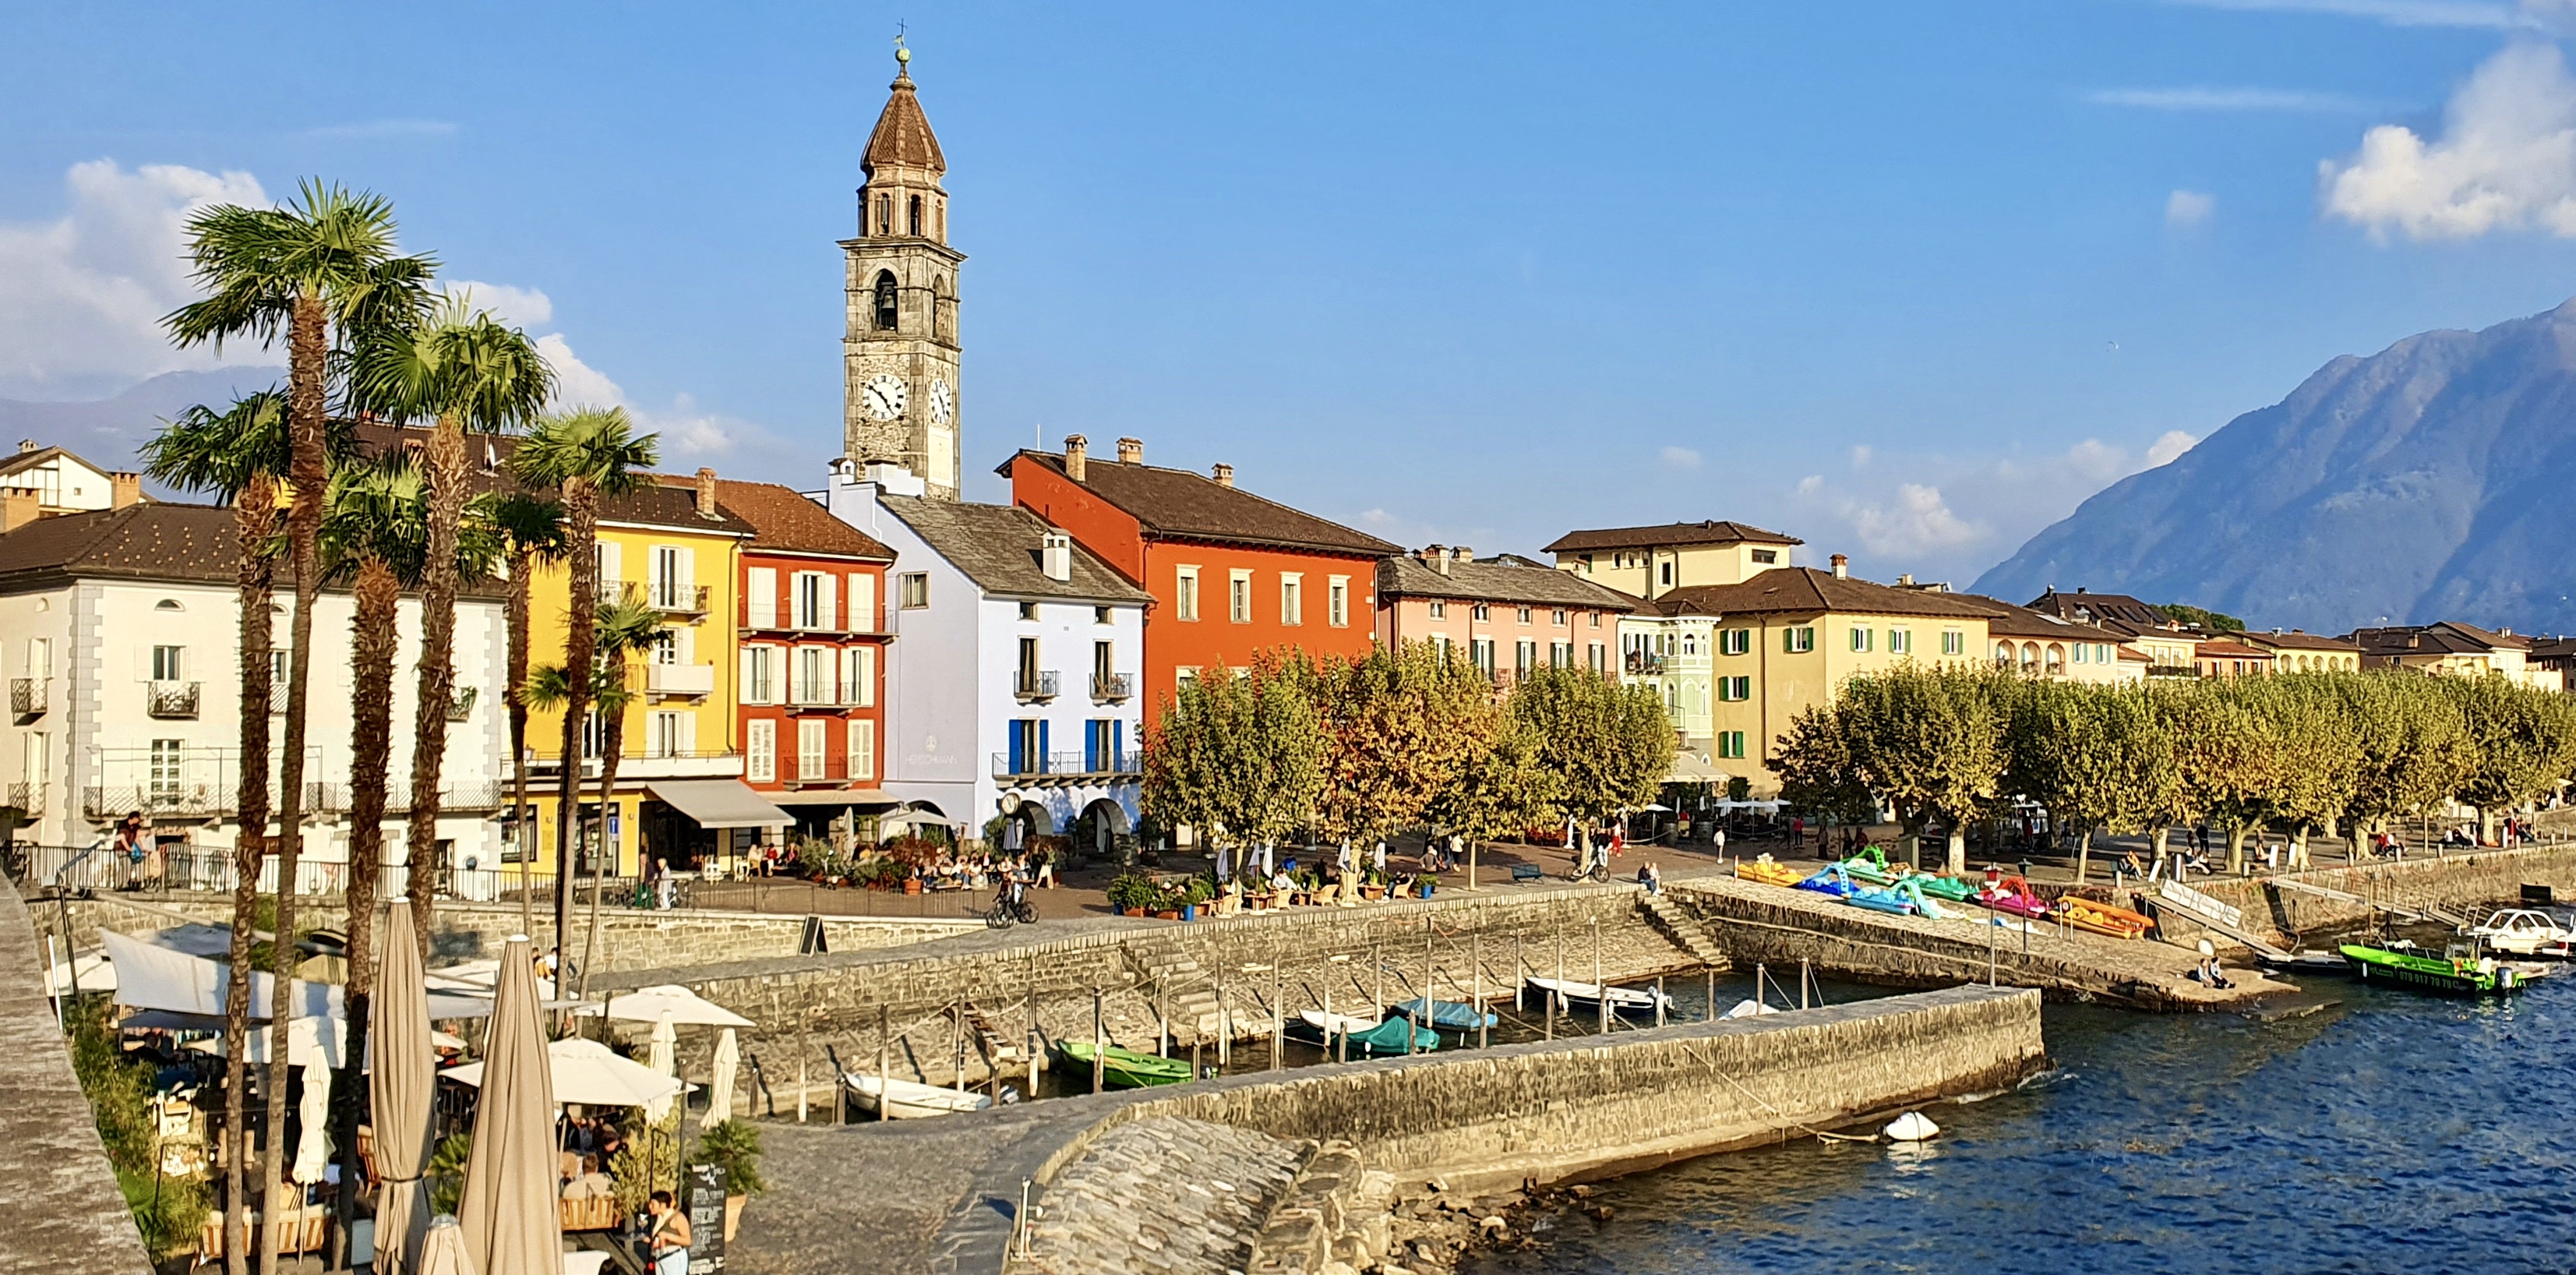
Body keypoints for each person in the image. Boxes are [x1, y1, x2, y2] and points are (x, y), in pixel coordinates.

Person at [645, 1188, 692, 1275]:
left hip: (674, 1259)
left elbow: (688, 1241)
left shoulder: (678, 1217)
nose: (650, 1207)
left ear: (662, 1205)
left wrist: (668, 1236)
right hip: (659, 1259)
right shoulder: (658, 1219)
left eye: (653, 1204)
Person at [112, 811, 146, 890]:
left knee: (126, 866)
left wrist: (141, 849)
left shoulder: (134, 827)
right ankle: (121, 884)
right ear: (134, 818)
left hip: (128, 850)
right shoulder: (123, 825)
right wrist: (128, 848)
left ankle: (122, 884)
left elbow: (136, 838)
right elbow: (122, 838)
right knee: (126, 865)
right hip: (120, 849)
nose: (139, 820)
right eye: (138, 819)